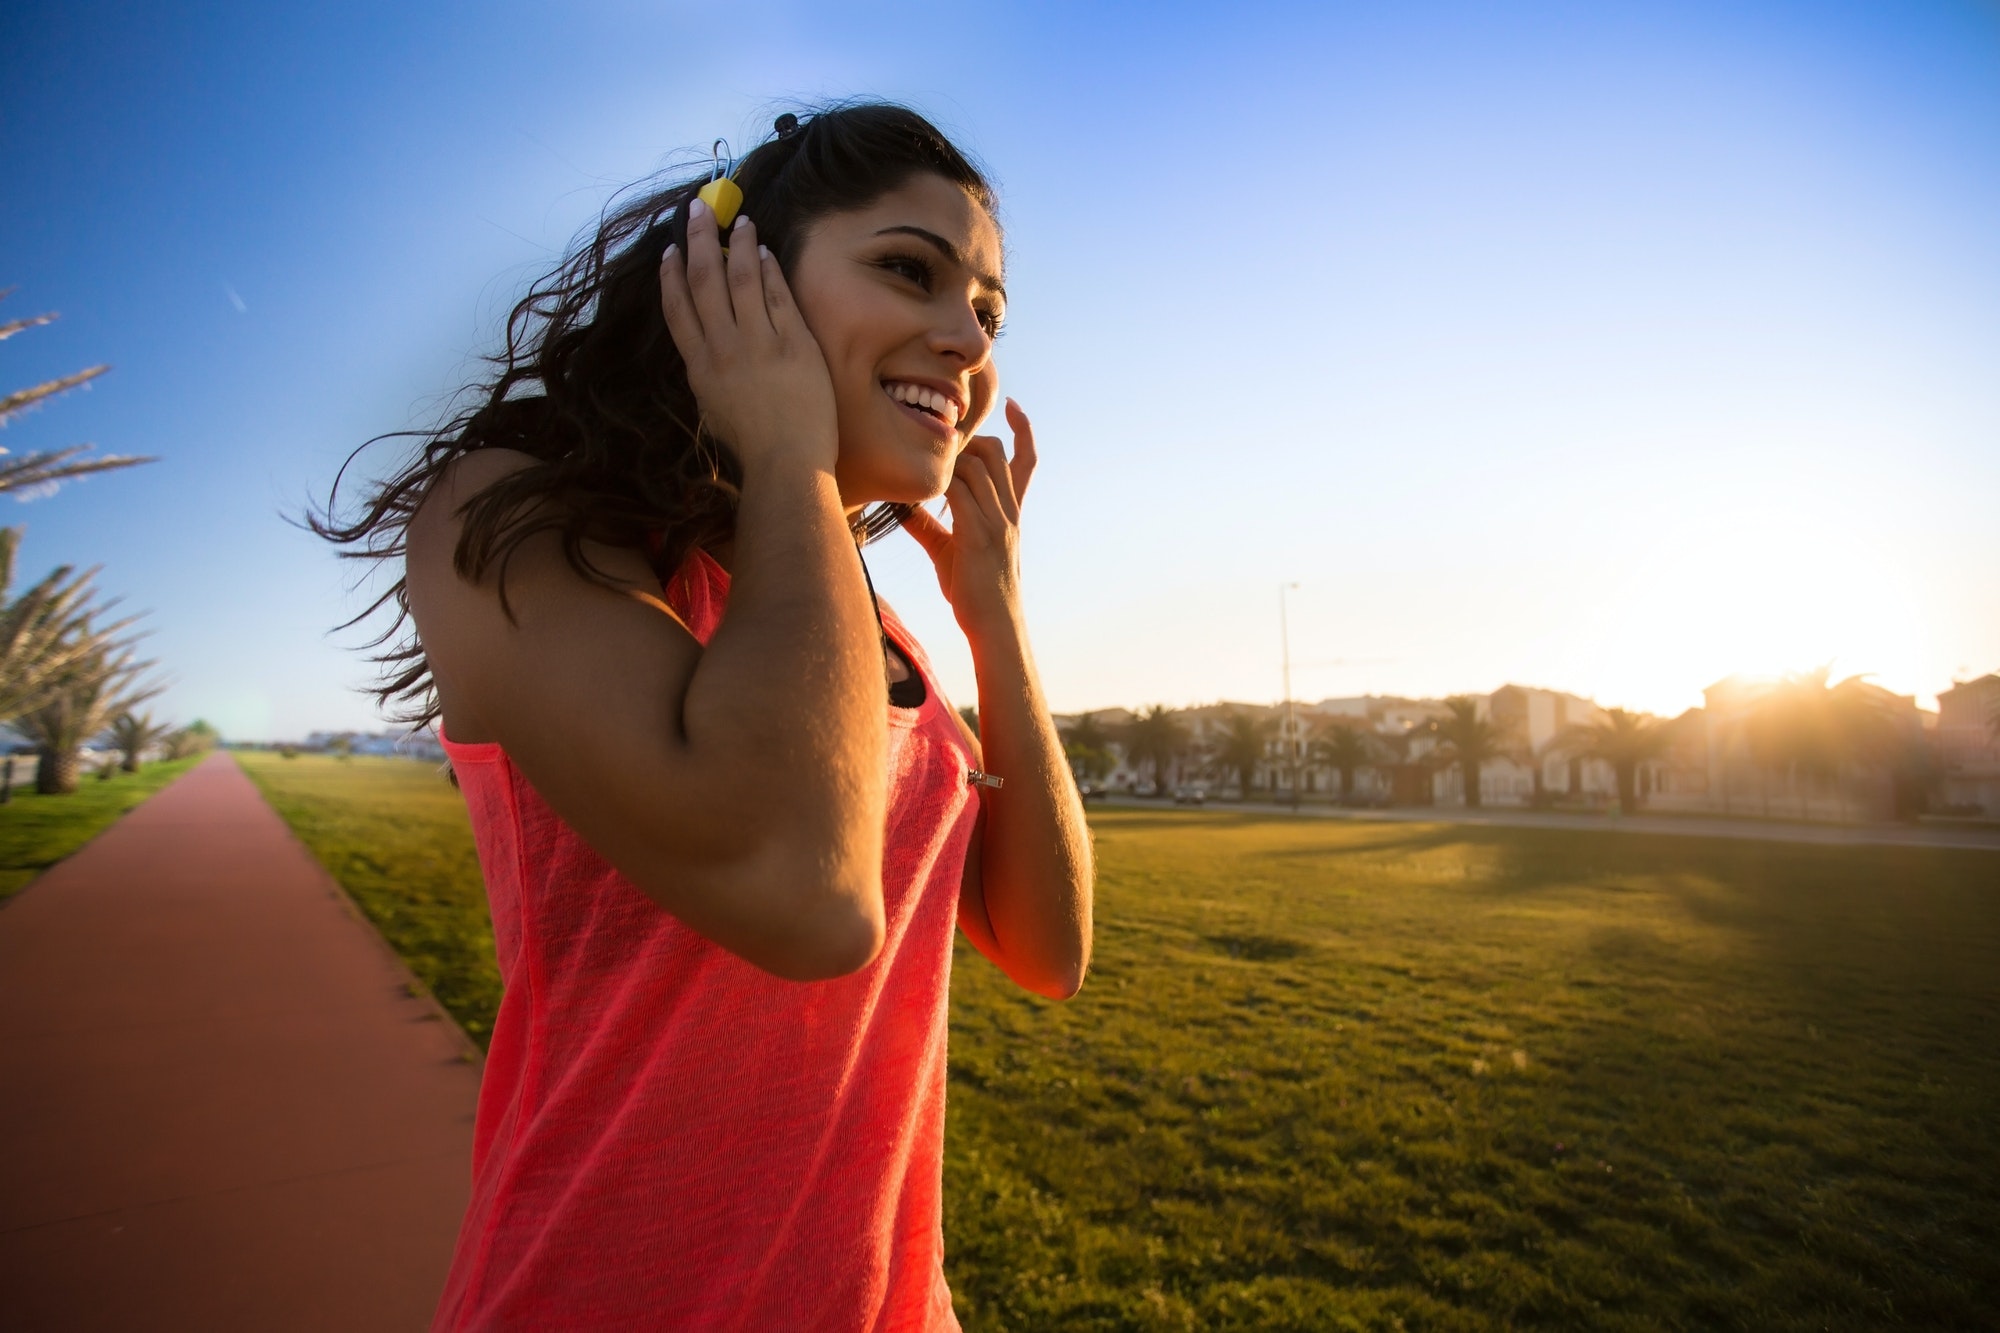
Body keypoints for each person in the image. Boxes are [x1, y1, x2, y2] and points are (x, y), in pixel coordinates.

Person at [317, 103, 1093, 1329]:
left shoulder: (853, 618)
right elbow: (806, 894)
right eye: (909, 271)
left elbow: (1047, 952)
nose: (964, 341)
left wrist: (993, 620)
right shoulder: (511, 516)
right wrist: (787, 454)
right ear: (740, 279)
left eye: (989, 314)